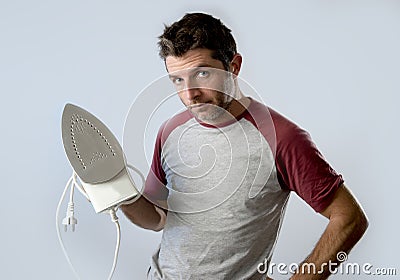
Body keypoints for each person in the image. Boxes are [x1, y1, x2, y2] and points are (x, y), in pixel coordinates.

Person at [121, 12, 368, 280]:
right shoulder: (170, 131)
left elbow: (350, 218)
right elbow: (157, 218)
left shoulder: (282, 137)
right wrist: (118, 193)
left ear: (234, 66)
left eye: (202, 74)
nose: (189, 94)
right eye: (178, 80)